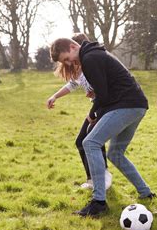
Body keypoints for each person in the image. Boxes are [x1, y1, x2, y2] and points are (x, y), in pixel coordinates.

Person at [50, 37, 156, 217]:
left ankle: (99, 202)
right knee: (114, 153)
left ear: (73, 46)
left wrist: (92, 113)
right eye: (65, 62)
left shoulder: (90, 58)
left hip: (126, 105)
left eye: (67, 58)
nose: (69, 63)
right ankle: (145, 192)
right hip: (137, 105)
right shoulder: (93, 54)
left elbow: (103, 95)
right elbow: (103, 90)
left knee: (89, 142)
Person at [47, 33, 112, 190]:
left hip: (102, 106)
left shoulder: (90, 61)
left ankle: (104, 176)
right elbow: (72, 85)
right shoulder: (79, 67)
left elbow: (105, 86)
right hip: (96, 105)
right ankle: (92, 178)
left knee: (92, 140)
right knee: (82, 141)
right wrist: (55, 96)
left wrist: (94, 94)